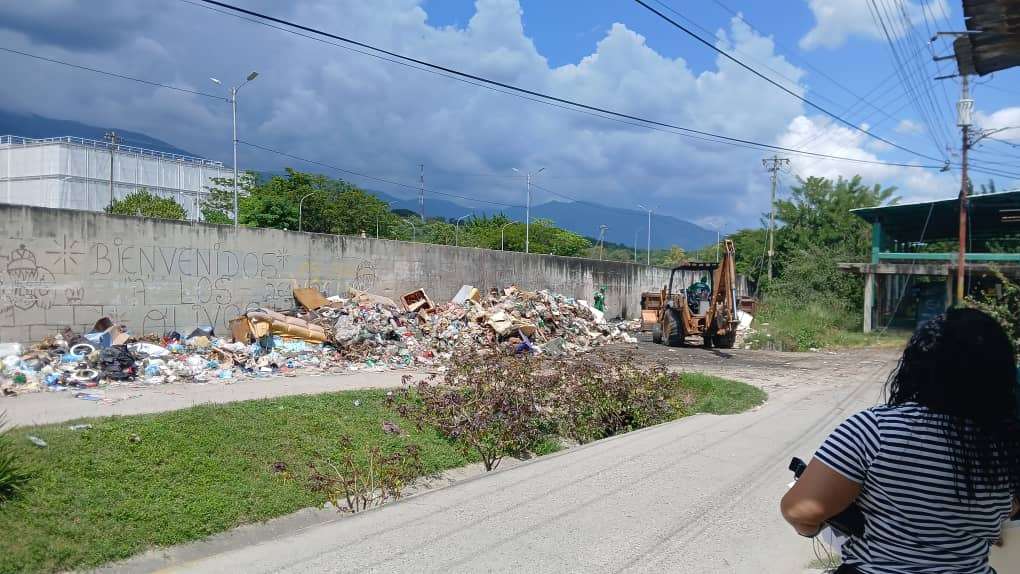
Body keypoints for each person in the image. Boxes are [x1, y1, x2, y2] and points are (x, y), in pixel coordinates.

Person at [781, 307, 1020, 574]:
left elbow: (800, 511)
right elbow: (1007, 510)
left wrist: (826, 521)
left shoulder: (875, 429)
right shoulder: (1004, 446)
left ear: (916, 364)